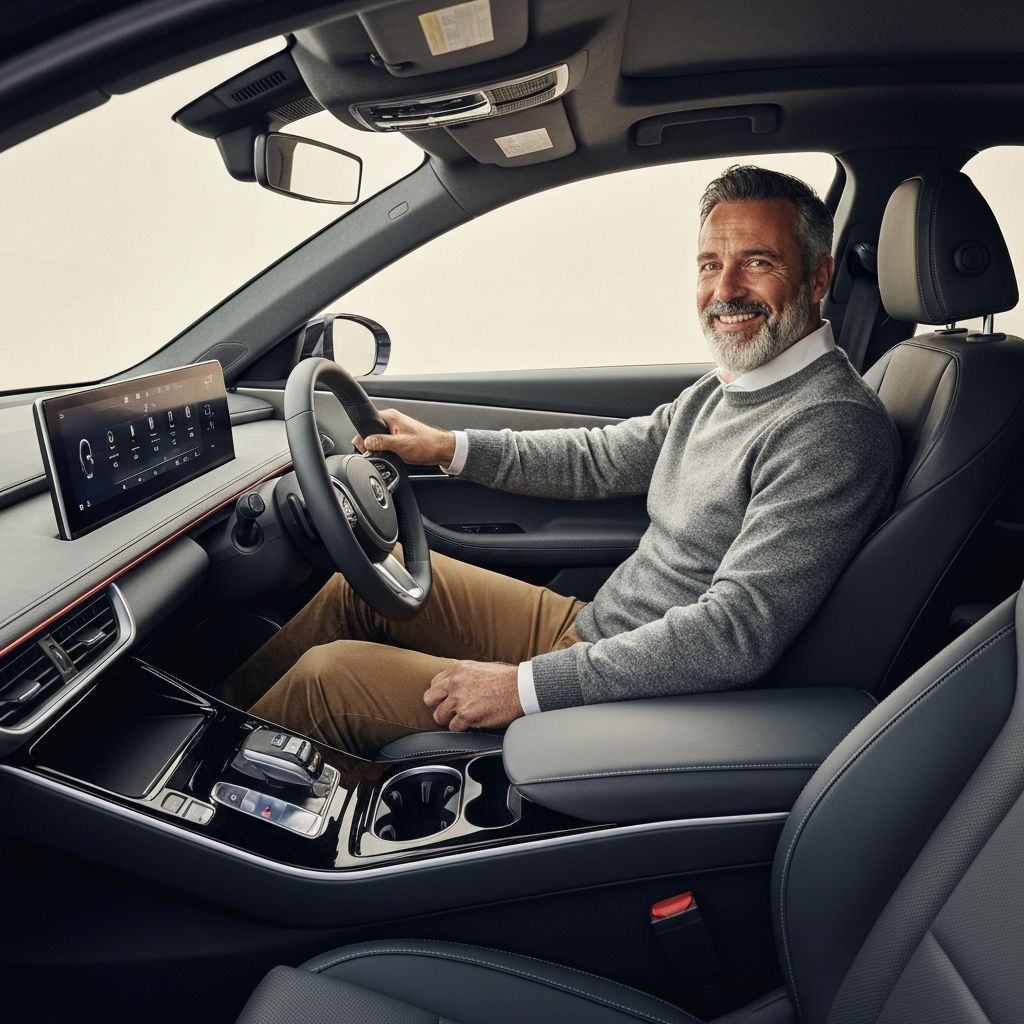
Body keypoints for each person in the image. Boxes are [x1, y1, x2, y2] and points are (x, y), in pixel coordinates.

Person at [222, 165, 901, 758]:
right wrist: (449, 448)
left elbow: (735, 634)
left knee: (330, 679)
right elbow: (602, 456)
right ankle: (204, 725)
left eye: (757, 262)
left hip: (650, 694)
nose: (724, 288)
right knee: (365, 583)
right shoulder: (734, 383)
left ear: (817, 278)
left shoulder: (830, 428)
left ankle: (192, 814)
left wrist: (524, 688)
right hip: (592, 629)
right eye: (707, 265)